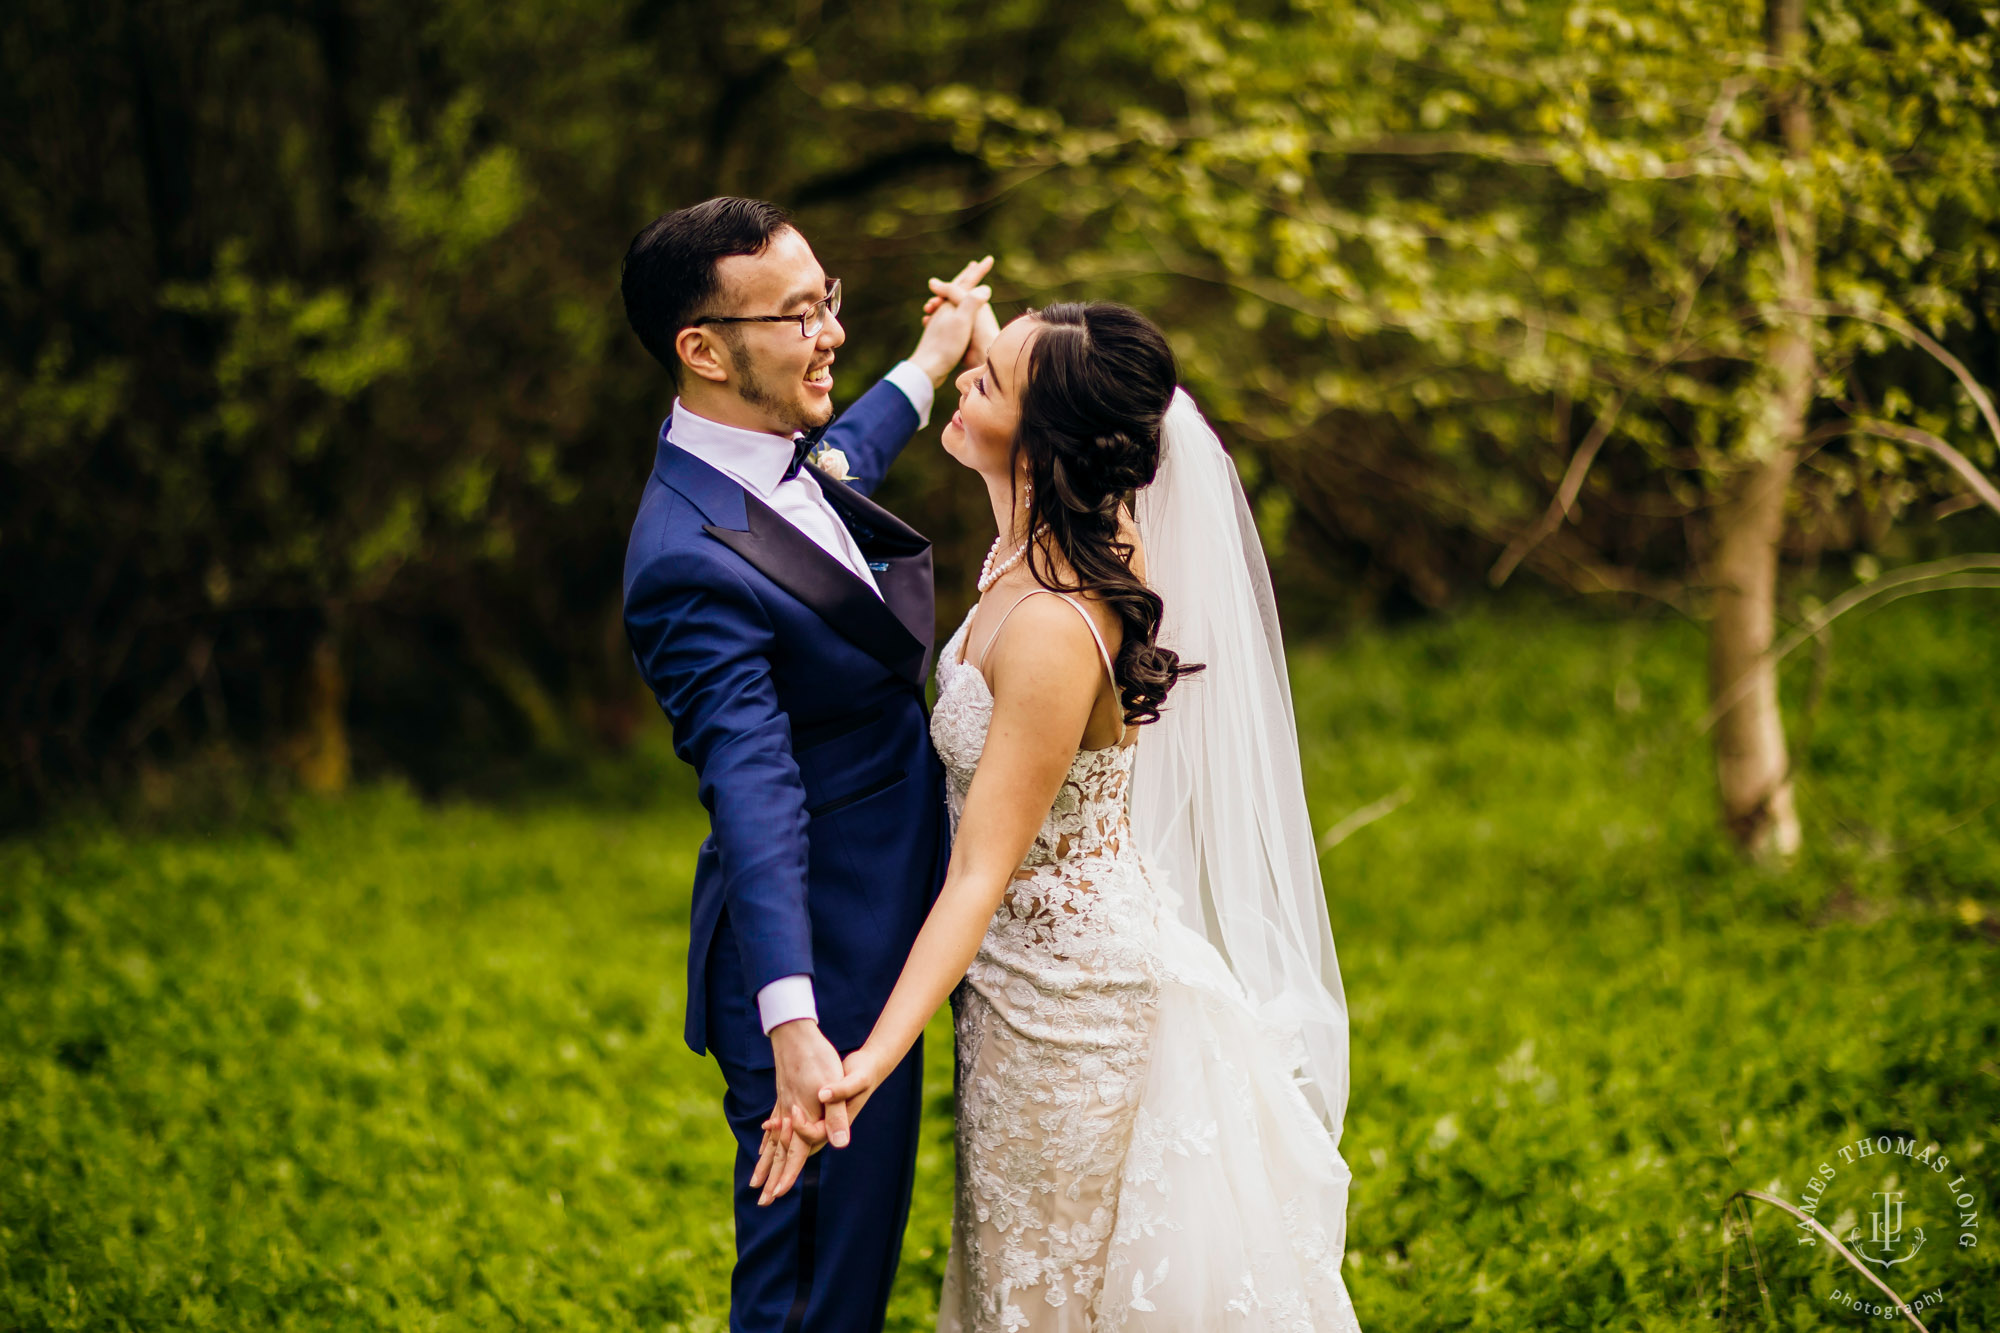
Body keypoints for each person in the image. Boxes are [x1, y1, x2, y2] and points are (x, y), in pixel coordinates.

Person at [800, 303, 1364, 1330]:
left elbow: (978, 873)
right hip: (1017, 991)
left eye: (989, 379)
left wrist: (868, 1062)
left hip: (1073, 1015)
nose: (970, 381)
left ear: (1043, 441)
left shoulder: (1057, 626)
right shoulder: (1058, 537)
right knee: (1017, 1267)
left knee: (1054, 1288)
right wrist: (968, 334)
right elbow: (1050, 377)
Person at [619, 196, 997, 1333]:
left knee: (850, 1274)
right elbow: (753, 790)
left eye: (825, 297)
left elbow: (850, 448)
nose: (827, 329)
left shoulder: (775, 456)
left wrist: (931, 358)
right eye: (796, 314)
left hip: (878, 930)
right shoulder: (684, 563)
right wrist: (795, 1025)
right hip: (819, 971)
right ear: (703, 347)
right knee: (810, 1301)